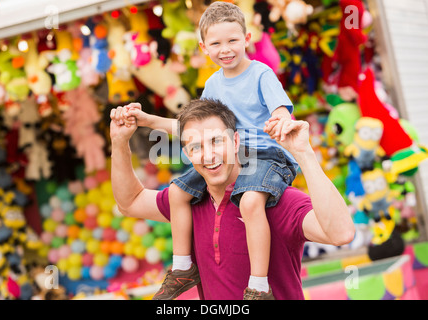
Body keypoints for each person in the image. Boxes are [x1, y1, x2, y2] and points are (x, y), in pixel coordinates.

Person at [122, 1, 298, 300]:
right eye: (216, 43)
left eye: (232, 40)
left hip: (267, 156)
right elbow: (194, 128)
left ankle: (258, 286)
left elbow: (280, 108)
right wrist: (148, 120)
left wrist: (281, 118)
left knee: (251, 202)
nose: (225, 49)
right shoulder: (213, 84)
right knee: (178, 191)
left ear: (247, 39)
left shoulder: (260, 74)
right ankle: (182, 268)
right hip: (231, 156)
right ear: (203, 47)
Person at [110, 98, 355, 300]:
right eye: (196, 147)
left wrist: (305, 154)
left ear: (235, 141)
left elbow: (341, 233)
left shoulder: (273, 199)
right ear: (187, 153)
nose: (209, 155)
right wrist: (120, 143)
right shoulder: (189, 202)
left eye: (216, 141)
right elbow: (130, 202)